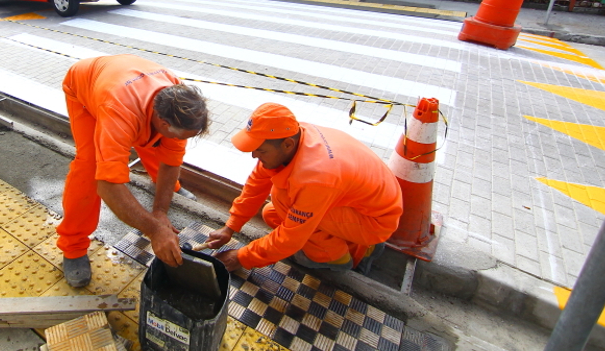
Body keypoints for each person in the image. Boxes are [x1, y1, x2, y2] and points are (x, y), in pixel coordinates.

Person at [58, 54, 209, 287]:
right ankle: (73, 246)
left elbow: (170, 161)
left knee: (154, 140)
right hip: (84, 85)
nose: (183, 141)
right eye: (183, 136)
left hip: (127, 81)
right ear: (163, 123)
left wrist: (160, 211)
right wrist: (155, 230)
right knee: (90, 166)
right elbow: (108, 186)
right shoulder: (119, 111)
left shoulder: (179, 101)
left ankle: (169, 189)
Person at [204, 103, 403, 277]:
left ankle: (337, 258)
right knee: (271, 213)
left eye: (260, 150)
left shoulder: (316, 175)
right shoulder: (292, 135)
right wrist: (230, 227)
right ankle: (354, 244)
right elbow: (256, 184)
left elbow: (291, 238)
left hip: (375, 220)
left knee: (283, 198)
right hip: (359, 204)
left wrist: (242, 257)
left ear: (287, 144)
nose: (254, 155)